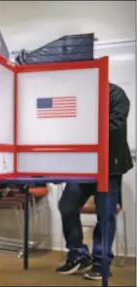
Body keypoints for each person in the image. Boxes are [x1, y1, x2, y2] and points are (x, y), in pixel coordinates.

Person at [56, 83, 133, 280]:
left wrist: (81, 127)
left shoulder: (116, 94)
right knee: (67, 205)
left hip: (109, 167)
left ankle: (101, 262)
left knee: (105, 215)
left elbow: (114, 126)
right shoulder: (81, 93)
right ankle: (78, 254)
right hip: (84, 165)